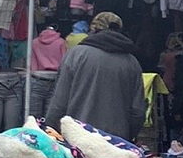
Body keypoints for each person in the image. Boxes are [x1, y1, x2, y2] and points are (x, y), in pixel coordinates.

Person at [45, 12, 146, 141]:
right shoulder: (132, 62)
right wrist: (128, 136)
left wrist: (50, 129)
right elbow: (138, 111)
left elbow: (59, 102)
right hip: (116, 142)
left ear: (93, 29)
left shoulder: (76, 55)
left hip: (77, 137)